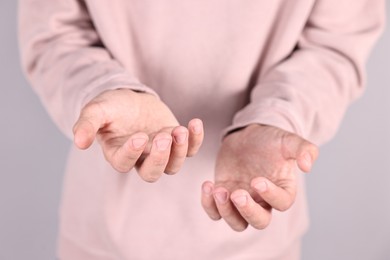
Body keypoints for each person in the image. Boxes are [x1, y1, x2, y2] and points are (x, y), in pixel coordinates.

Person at [18, 0, 384, 259]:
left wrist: (277, 116)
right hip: (105, 234)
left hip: (256, 230)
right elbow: (54, 33)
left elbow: (335, 42)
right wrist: (104, 90)